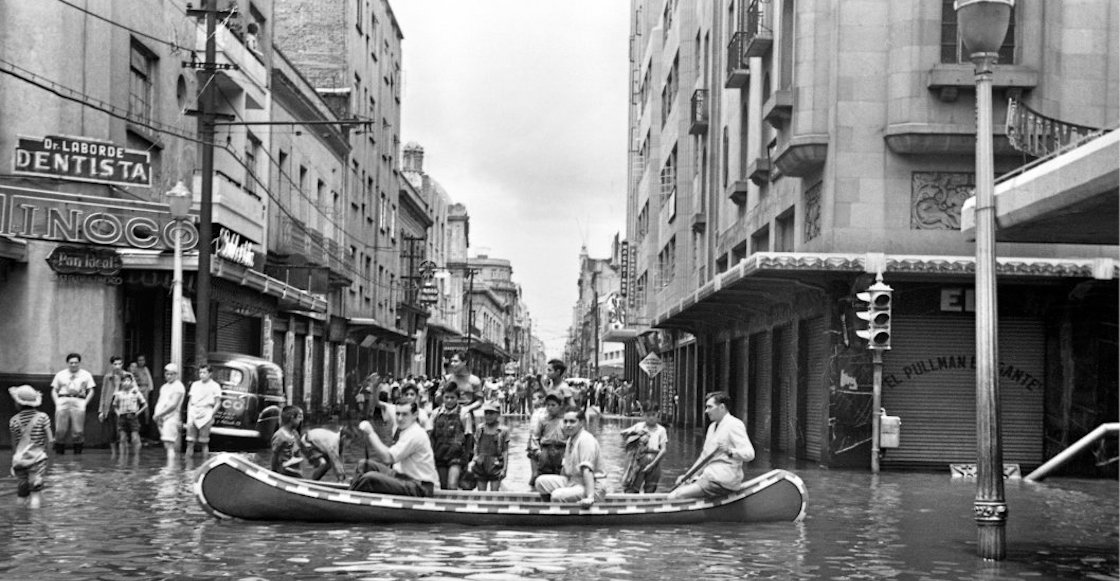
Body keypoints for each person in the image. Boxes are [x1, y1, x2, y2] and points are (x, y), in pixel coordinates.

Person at [669, 392, 756, 500]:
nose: (706, 411)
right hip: (709, 477)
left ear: (722, 407)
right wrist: (687, 477)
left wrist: (730, 451)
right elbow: (704, 457)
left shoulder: (734, 424)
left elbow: (750, 454)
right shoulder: (711, 427)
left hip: (723, 480)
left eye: (710, 407)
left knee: (677, 495)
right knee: (675, 491)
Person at [350, 402, 438, 497]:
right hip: (403, 478)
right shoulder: (405, 429)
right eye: (398, 414)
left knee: (370, 478)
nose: (400, 418)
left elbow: (387, 458)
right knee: (364, 465)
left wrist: (371, 433)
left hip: (419, 487)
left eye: (404, 414)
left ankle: (351, 497)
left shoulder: (415, 433)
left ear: (415, 415)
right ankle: (352, 492)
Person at [535, 408, 606, 506]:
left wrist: (590, 497)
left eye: (572, 422)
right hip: (572, 481)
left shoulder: (585, 440)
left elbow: (587, 470)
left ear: (581, 423)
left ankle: (560, 517)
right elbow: (565, 469)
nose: (568, 425)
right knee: (540, 482)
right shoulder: (570, 439)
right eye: (565, 421)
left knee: (557, 495)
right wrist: (562, 485)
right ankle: (548, 510)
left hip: (591, 486)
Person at [8, 385, 52, 508]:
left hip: (19, 461)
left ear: (18, 403)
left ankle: (20, 521)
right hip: (37, 460)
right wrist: (48, 456)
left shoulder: (13, 420)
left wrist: (14, 462)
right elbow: (50, 440)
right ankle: (35, 523)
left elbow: (14, 445)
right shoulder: (43, 417)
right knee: (35, 494)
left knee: (21, 495)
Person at [50, 352, 96, 454]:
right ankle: (59, 457)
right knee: (60, 431)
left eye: (76, 363)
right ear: (67, 363)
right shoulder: (60, 374)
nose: (74, 365)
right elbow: (54, 390)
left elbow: (91, 390)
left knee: (78, 431)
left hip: (79, 400)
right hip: (63, 400)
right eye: (71, 363)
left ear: (79, 363)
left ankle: (77, 457)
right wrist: (57, 402)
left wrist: (85, 403)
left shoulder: (86, 374)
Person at [429, 383, 471, 490]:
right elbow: (430, 436)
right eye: (446, 397)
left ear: (457, 398)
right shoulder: (435, 413)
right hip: (439, 454)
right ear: (442, 398)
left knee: (452, 485)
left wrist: (466, 459)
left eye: (452, 397)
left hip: (456, 456)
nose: (449, 400)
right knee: (443, 486)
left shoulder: (464, 413)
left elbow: (468, 436)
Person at [619, 402, 668, 493]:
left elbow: (663, 450)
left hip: (655, 461)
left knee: (650, 489)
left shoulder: (661, 430)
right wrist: (635, 434)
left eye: (653, 414)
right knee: (632, 489)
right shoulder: (639, 426)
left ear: (658, 414)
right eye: (648, 415)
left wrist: (652, 464)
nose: (651, 418)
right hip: (639, 461)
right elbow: (623, 433)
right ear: (644, 415)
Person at [469, 402, 509, 491]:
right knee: (481, 493)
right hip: (481, 463)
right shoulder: (480, 428)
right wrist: (474, 460)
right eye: (486, 413)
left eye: (491, 413)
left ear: (498, 414)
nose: (488, 416)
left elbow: (505, 451)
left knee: (494, 493)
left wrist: (505, 469)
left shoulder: (503, 430)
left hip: (496, 464)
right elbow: (476, 446)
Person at [186, 364, 221, 457]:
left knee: (204, 442)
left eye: (204, 372)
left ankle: (204, 464)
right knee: (190, 441)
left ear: (210, 374)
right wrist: (189, 415)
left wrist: (211, 415)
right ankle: (188, 467)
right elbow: (190, 401)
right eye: (200, 372)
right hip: (193, 413)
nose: (202, 375)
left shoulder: (215, 386)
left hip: (206, 413)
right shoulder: (195, 385)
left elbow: (218, 403)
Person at [529, 393, 566, 482]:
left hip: (561, 449)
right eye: (548, 405)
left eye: (553, 405)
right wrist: (538, 452)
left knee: (561, 475)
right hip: (546, 449)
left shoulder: (565, 420)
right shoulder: (543, 419)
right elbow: (535, 437)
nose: (550, 407)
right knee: (543, 476)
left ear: (560, 406)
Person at [152, 363, 185, 461]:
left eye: (172, 374)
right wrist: (158, 416)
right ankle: (169, 467)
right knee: (166, 444)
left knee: (170, 444)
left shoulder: (178, 387)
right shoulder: (164, 387)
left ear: (176, 374)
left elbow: (173, 405)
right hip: (161, 418)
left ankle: (170, 469)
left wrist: (159, 414)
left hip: (171, 417)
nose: (169, 376)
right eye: (167, 374)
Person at [111, 372, 148, 458]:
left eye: (128, 380)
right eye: (124, 381)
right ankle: (123, 456)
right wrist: (118, 413)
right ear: (121, 383)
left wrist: (137, 413)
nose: (126, 383)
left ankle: (136, 456)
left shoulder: (135, 393)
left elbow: (145, 405)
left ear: (131, 382)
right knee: (122, 438)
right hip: (122, 416)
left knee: (135, 437)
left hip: (133, 416)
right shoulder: (118, 394)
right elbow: (114, 405)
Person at [98, 355, 126, 457]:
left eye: (119, 364)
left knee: (122, 430)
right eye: (115, 364)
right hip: (109, 405)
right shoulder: (107, 377)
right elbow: (103, 393)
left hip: (124, 405)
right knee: (111, 430)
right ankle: (113, 453)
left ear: (122, 364)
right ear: (112, 365)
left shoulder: (127, 376)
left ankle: (123, 452)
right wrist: (101, 410)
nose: (117, 366)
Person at [270, 405, 306, 477]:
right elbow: (274, 455)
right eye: (299, 417)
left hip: (296, 471)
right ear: (292, 418)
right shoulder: (279, 436)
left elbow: (298, 451)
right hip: (284, 473)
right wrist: (273, 472)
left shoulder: (295, 434)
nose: (301, 420)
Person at [129, 355, 154, 432]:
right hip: (137, 389)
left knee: (146, 408)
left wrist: (150, 388)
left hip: (145, 389)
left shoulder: (145, 369)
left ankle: (146, 426)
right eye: (139, 360)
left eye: (143, 360)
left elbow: (149, 379)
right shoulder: (134, 369)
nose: (141, 362)